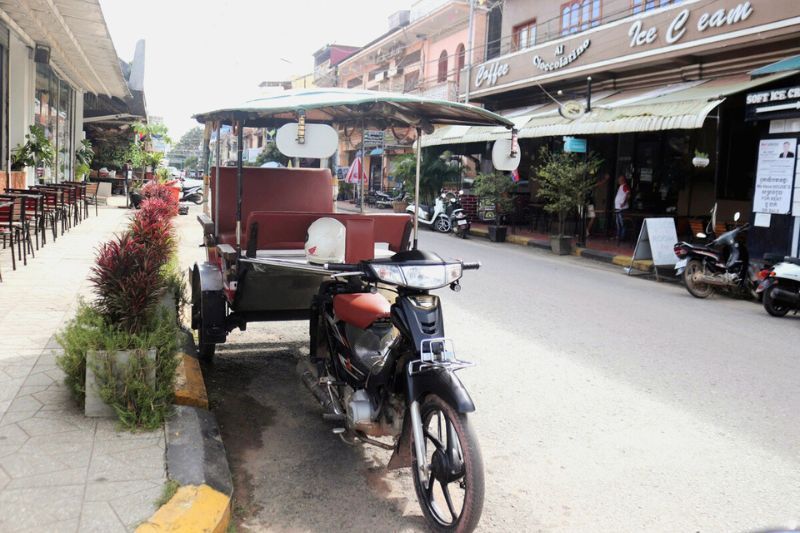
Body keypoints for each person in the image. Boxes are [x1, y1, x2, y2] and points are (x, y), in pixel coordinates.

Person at [585, 172, 611, 239]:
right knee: (590, 217)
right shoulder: (588, 185)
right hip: (587, 203)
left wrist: (605, 179)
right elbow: (599, 184)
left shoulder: (590, 186)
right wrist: (605, 179)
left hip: (589, 203)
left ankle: (587, 230)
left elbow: (599, 184)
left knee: (592, 217)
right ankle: (586, 230)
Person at [614, 175, 631, 241]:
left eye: (619, 179)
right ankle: (619, 236)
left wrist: (624, 203)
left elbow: (628, 194)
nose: (618, 181)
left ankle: (622, 237)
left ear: (623, 180)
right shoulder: (621, 187)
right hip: (618, 208)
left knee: (622, 223)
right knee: (618, 223)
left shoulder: (625, 186)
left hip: (622, 209)